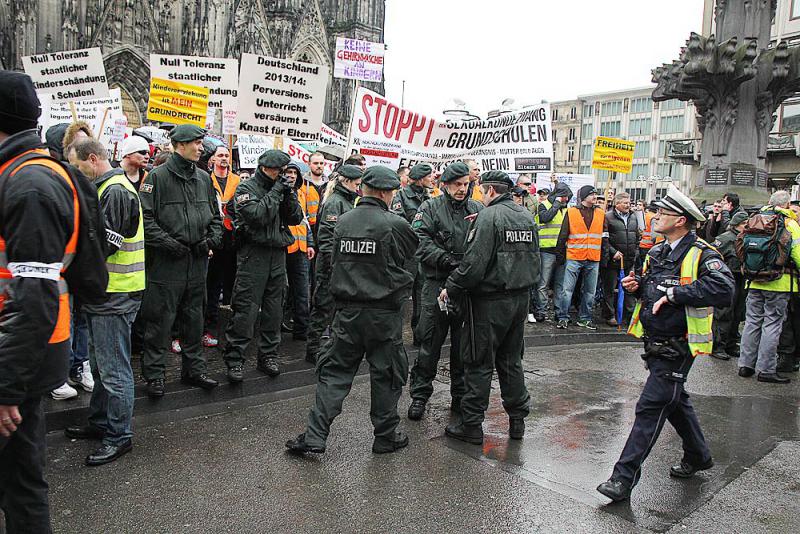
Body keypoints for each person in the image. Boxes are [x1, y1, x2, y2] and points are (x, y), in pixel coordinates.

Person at [597, 184, 734, 502]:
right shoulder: (657, 251)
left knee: (651, 406)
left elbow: (724, 290)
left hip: (679, 344)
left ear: (682, 220)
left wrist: (675, 294)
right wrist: (637, 286)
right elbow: (652, 286)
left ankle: (623, 478)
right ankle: (699, 455)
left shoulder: (703, 254)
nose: (656, 216)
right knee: (676, 401)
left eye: (663, 213)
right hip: (655, 341)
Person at [286, 166, 418, 454]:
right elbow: (410, 260)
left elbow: (330, 261)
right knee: (386, 375)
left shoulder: (343, 221)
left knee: (334, 374)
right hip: (384, 315)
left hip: (346, 312)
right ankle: (385, 436)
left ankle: (315, 435)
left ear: (364, 190)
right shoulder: (396, 224)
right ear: (385, 192)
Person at [0, 71, 78, 532]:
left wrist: (7, 389)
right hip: (20, 350)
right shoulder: (21, 172)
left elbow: (33, 296)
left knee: (22, 488)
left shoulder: (30, 183)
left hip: (20, 356)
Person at [440, 171, 540, 445]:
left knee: (478, 360)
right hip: (519, 298)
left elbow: (473, 265)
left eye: (481, 191)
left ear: (491, 191)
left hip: (489, 302)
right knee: (511, 361)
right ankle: (517, 420)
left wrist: (452, 286)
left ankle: (471, 424)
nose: (479, 196)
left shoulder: (489, 216)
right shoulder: (525, 216)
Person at [63, 138, 144, 466]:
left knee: (113, 369)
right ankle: (100, 422)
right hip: (105, 292)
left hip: (116, 292)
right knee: (100, 365)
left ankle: (119, 435)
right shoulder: (107, 188)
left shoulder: (114, 191)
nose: (75, 171)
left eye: (77, 165)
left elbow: (104, 244)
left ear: (92, 158)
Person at [138, 125, 222, 398]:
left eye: (201, 143)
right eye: (196, 143)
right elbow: (145, 220)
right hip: (166, 263)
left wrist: (210, 240)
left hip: (196, 263)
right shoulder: (157, 178)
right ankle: (155, 375)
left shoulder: (203, 178)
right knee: (160, 322)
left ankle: (194, 370)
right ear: (179, 145)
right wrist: (168, 244)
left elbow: (216, 218)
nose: (201, 148)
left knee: (194, 319)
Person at [407, 162, 483, 420]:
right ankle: (419, 395)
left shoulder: (477, 209)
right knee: (430, 343)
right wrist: (446, 260)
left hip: (465, 287)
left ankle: (459, 397)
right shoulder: (430, 207)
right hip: (436, 282)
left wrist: (468, 268)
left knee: (463, 348)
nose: (462, 189)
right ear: (446, 185)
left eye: (466, 184)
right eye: (457, 185)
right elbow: (419, 241)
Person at [222, 150, 303, 382]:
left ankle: (268, 355)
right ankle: (235, 359)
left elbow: (295, 218)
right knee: (246, 310)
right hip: (253, 255)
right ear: (268, 168)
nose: (284, 176)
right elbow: (257, 216)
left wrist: (289, 195)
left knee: (274, 310)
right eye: (281, 171)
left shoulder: (283, 189)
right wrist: (278, 191)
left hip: (277, 254)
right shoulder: (246, 189)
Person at [737, 190, 800, 384]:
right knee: (772, 324)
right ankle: (766, 369)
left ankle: (745, 365)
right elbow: (797, 254)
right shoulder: (789, 223)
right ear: (787, 204)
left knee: (752, 322)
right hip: (779, 282)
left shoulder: (754, 219)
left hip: (754, 279)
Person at [305, 164, 363, 364]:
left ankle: (329, 346)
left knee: (337, 309)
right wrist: (334, 265)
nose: (358, 187)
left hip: (342, 264)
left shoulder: (348, 201)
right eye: (356, 183)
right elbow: (327, 238)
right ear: (346, 181)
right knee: (323, 306)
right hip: (331, 265)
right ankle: (313, 349)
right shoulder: (334, 202)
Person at [554, 185, 607, 330]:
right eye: (592, 194)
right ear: (583, 197)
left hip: (593, 258)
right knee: (567, 290)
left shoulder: (601, 214)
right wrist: (560, 256)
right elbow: (563, 235)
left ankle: (585, 318)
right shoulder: (571, 212)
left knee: (590, 292)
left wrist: (605, 254)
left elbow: (604, 236)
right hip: (574, 257)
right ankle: (563, 317)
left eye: (596, 194)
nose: (595, 196)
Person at [391, 163, 433, 344]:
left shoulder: (428, 197)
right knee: (402, 296)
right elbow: (399, 224)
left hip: (424, 254)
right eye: (429, 176)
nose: (432, 179)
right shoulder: (401, 196)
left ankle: (420, 335)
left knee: (422, 296)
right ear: (420, 179)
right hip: (408, 255)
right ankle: (395, 337)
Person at [204, 144, 240, 346]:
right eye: (220, 155)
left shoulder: (236, 180)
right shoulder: (207, 180)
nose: (224, 158)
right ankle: (209, 327)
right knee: (212, 284)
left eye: (227, 155)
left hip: (233, 238)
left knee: (231, 284)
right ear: (213, 160)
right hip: (215, 236)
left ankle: (228, 327)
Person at [710, 211, 748, 360]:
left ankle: (731, 344)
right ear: (737, 225)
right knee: (724, 313)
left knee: (737, 313)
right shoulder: (725, 238)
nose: (747, 226)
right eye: (745, 224)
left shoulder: (745, 238)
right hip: (727, 279)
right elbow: (712, 255)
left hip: (741, 278)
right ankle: (717, 346)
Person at [284, 161, 315, 341]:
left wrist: (310, 243)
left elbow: (304, 220)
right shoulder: (281, 192)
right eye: (289, 172)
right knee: (282, 291)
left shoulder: (301, 194)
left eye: (295, 173)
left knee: (302, 290)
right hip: (284, 247)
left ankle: (301, 329)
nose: (292, 176)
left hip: (300, 248)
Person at [533, 183, 571, 322]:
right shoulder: (543, 205)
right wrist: (556, 204)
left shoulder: (566, 209)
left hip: (561, 251)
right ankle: (541, 310)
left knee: (560, 284)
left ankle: (559, 311)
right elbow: (545, 218)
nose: (566, 200)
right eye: (564, 196)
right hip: (546, 250)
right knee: (543, 283)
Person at [601, 192, 639, 326]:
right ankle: (610, 315)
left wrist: (636, 251)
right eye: (625, 203)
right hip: (613, 260)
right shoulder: (607, 217)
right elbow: (604, 238)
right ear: (617, 204)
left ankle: (629, 315)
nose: (628, 205)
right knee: (610, 289)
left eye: (629, 203)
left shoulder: (634, 217)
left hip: (629, 259)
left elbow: (637, 236)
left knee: (629, 287)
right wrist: (612, 252)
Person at [777, 200, 800, 373]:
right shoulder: (788, 227)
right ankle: (787, 357)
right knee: (788, 321)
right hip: (789, 282)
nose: (794, 214)